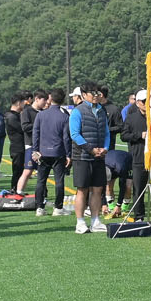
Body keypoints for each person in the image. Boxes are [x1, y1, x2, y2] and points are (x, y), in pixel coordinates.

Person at [66, 85, 113, 233]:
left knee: (98, 189)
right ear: (84, 94)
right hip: (82, 157)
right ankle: (80, 223)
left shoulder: (102, 110)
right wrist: (90, 149)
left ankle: (95, 221)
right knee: (82, 190)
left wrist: (105, 148)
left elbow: (106, 132)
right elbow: (74, 134)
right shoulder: (77, 111)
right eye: (93, 93)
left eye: (97, 93)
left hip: (99, 157)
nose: (96, 95)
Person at [30, 89, 71, 216]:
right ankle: (58, 208)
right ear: (63, 100)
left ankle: (39, 207)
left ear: (50, 99)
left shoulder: (41, 115)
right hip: (58, 152)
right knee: (59, 181)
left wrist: (35, 150)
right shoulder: (65, 117)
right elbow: (66, 138)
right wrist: (68, 154)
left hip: (42, 152)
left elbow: (35, 134)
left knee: (41, 181)